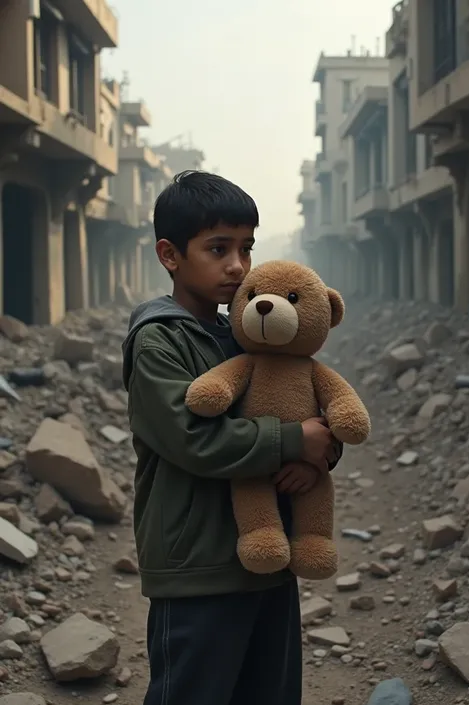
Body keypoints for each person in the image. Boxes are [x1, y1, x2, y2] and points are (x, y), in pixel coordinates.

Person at [122, 170, 343, 705]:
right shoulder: (159, 341)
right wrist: (294, 440)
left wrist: (320, 453)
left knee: (269, 692)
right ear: (170, 255)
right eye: (218, 248)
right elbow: (195, 438)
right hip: (198, 567)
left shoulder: (245, 332)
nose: (238, 265)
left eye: (246, 247)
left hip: (268, 559)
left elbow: (306, 408)